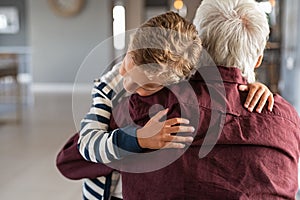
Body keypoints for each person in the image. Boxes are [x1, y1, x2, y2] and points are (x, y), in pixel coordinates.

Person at [102, 0, 299, 199]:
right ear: (257, 60)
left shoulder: (145, 105)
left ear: (195, 49)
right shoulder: (285, 117)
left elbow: (74, 161)